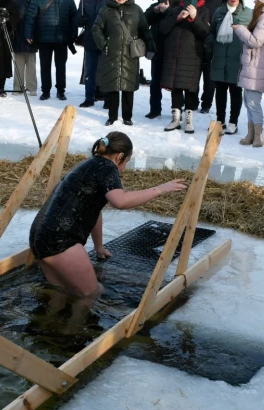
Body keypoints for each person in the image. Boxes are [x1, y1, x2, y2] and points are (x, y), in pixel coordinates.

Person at [29, 132, 187, 297]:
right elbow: (120, 201)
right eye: (127, 161)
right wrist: (159, 189)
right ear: (120, 157)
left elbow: (93, 211)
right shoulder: (107, 167)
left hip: (39, 237)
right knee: (92, 293)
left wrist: (98, 247)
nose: (125, 167)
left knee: (61, 292)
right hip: (60, 241)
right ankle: (79, 322)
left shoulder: (89, 164)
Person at [92, 0, 154, 126]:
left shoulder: (136, 9)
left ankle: (127, 117)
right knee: (113, 86)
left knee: (128, 86)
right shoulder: (105, 10)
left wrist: (150, 46)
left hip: (130, 54)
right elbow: (96, 28)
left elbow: (144, 29)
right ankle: (112, 117)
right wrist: (104, 45)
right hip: (111, 54)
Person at [233, 0, 264, 147]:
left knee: (253, 102)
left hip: (258, 67)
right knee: (248, 102)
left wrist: (240, 29)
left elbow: (256, 41)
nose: (254, 1)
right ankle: (251, 134)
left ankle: (258, 136)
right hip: (254, 66)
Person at [160, 0, 210, 134]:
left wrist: (194, 18)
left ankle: (189, 120)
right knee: (175, 86)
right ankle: (175, 119)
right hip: (174, 54)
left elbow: (205, 33)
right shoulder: (175, 9)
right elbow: (163, 28)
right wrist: (177, 18)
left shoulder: (204, 11)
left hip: (192, 55)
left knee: (190, 88)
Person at [208, 0, 251, 135]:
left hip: (237, 59)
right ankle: (220, 121)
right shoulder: (219, 12)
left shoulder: (248, 13)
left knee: (235, 91)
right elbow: (211, 32)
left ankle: (233, 122)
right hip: (220, 58)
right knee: (220, 91)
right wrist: (212, 42)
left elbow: (252, 36)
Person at [23, 0, 76, 100]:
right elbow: (30, 17)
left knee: (61, 66)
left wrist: (73, 35)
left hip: (62, 38)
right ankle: (45, 91)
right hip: (44, 38)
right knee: (45, 66)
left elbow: (74, 17)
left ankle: (61, 91)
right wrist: (29, 34)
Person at [143, 0, 176, 119]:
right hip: (157, 49)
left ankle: (177, 110)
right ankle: (155, 109)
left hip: (173, 50)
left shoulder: (177, 6)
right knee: (155, 80)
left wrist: (167, 11)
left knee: (174, 82)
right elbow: (143, 21)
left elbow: (176, 22)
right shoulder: (154, 6)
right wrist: (155, 11)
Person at [196, 0, 221, 115]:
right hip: (197, 40)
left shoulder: (222, 3)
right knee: (195, 74)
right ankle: (193, 101)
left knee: (209, 77)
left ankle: (206, 104)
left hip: (212, 42)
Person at [76, 0, 102, 107]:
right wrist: (80, 19)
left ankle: (108, 98)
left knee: (107, 71)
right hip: (90, 40)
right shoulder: (84, 2)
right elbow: (77, 22)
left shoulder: (110, 1)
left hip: (106, 41)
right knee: (90, 71)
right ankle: (89, 98)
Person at [12, 0, 36, 95]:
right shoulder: (16, 2)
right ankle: (21, 87)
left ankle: (27, 87)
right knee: (21, 65)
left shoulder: (15, 2)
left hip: (28, 37)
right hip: (21, 37)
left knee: (30, 65)